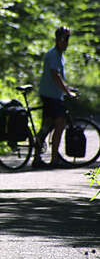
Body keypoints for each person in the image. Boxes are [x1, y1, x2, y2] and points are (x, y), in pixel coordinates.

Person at [32, 26, 76, 169]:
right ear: (58, 40)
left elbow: (58, 77)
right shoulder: (53, 55)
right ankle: (54, 159)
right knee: (60, 123)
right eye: (64, 39)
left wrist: (67, 89)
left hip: (52, 95)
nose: (66, 43)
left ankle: (37, 158)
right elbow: (55, 76)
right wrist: (67, 92)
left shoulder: (58, 54)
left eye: (67, 39)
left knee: (47, 126)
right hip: (51, 96)